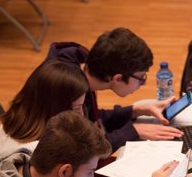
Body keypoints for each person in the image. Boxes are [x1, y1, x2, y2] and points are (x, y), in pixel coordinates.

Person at [0, 60, 179, 177]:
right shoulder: (41, 147)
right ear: (56, 108)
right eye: (76, 108)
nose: (81, 115)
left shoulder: (24, 119)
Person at [48, 27, 183, 151]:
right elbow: (82, 150)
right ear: (117, 78)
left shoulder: (82, 76)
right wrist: (133, 131)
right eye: (141, 77)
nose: (144, 83)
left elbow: (91, 117)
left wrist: (136, 110)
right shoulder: (69, 93)